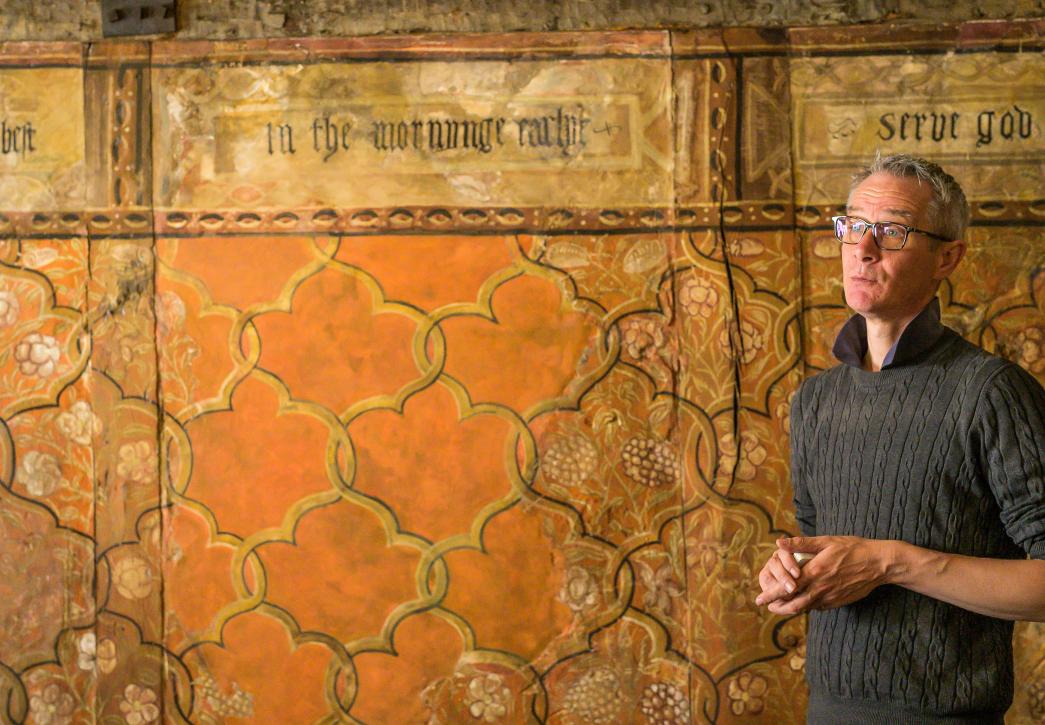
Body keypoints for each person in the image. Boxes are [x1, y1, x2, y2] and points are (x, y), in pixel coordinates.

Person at [754, 152, 1045, 724]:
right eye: (854, 226)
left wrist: (893, 563)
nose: (864, 249)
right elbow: (824, 557)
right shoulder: (815, 401)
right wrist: (790, 574)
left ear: (947, 257)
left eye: (892, 231)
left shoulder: (991, 392)